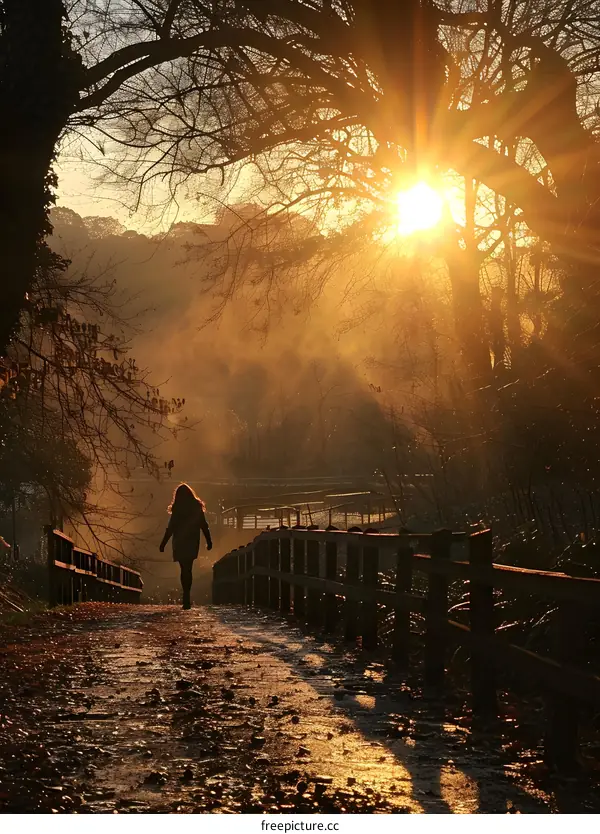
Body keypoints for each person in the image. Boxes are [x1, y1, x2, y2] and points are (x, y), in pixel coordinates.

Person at [159, 483, 212, 609]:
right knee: (189, 568)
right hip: (192, 541)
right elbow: (204, 525)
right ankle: (187, 595)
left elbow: (170, 528)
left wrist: (163, 544)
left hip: (180, 542)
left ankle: (186, 596)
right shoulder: (196, 507)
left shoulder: (177, 509)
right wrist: (209, 541)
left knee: (184, 569)